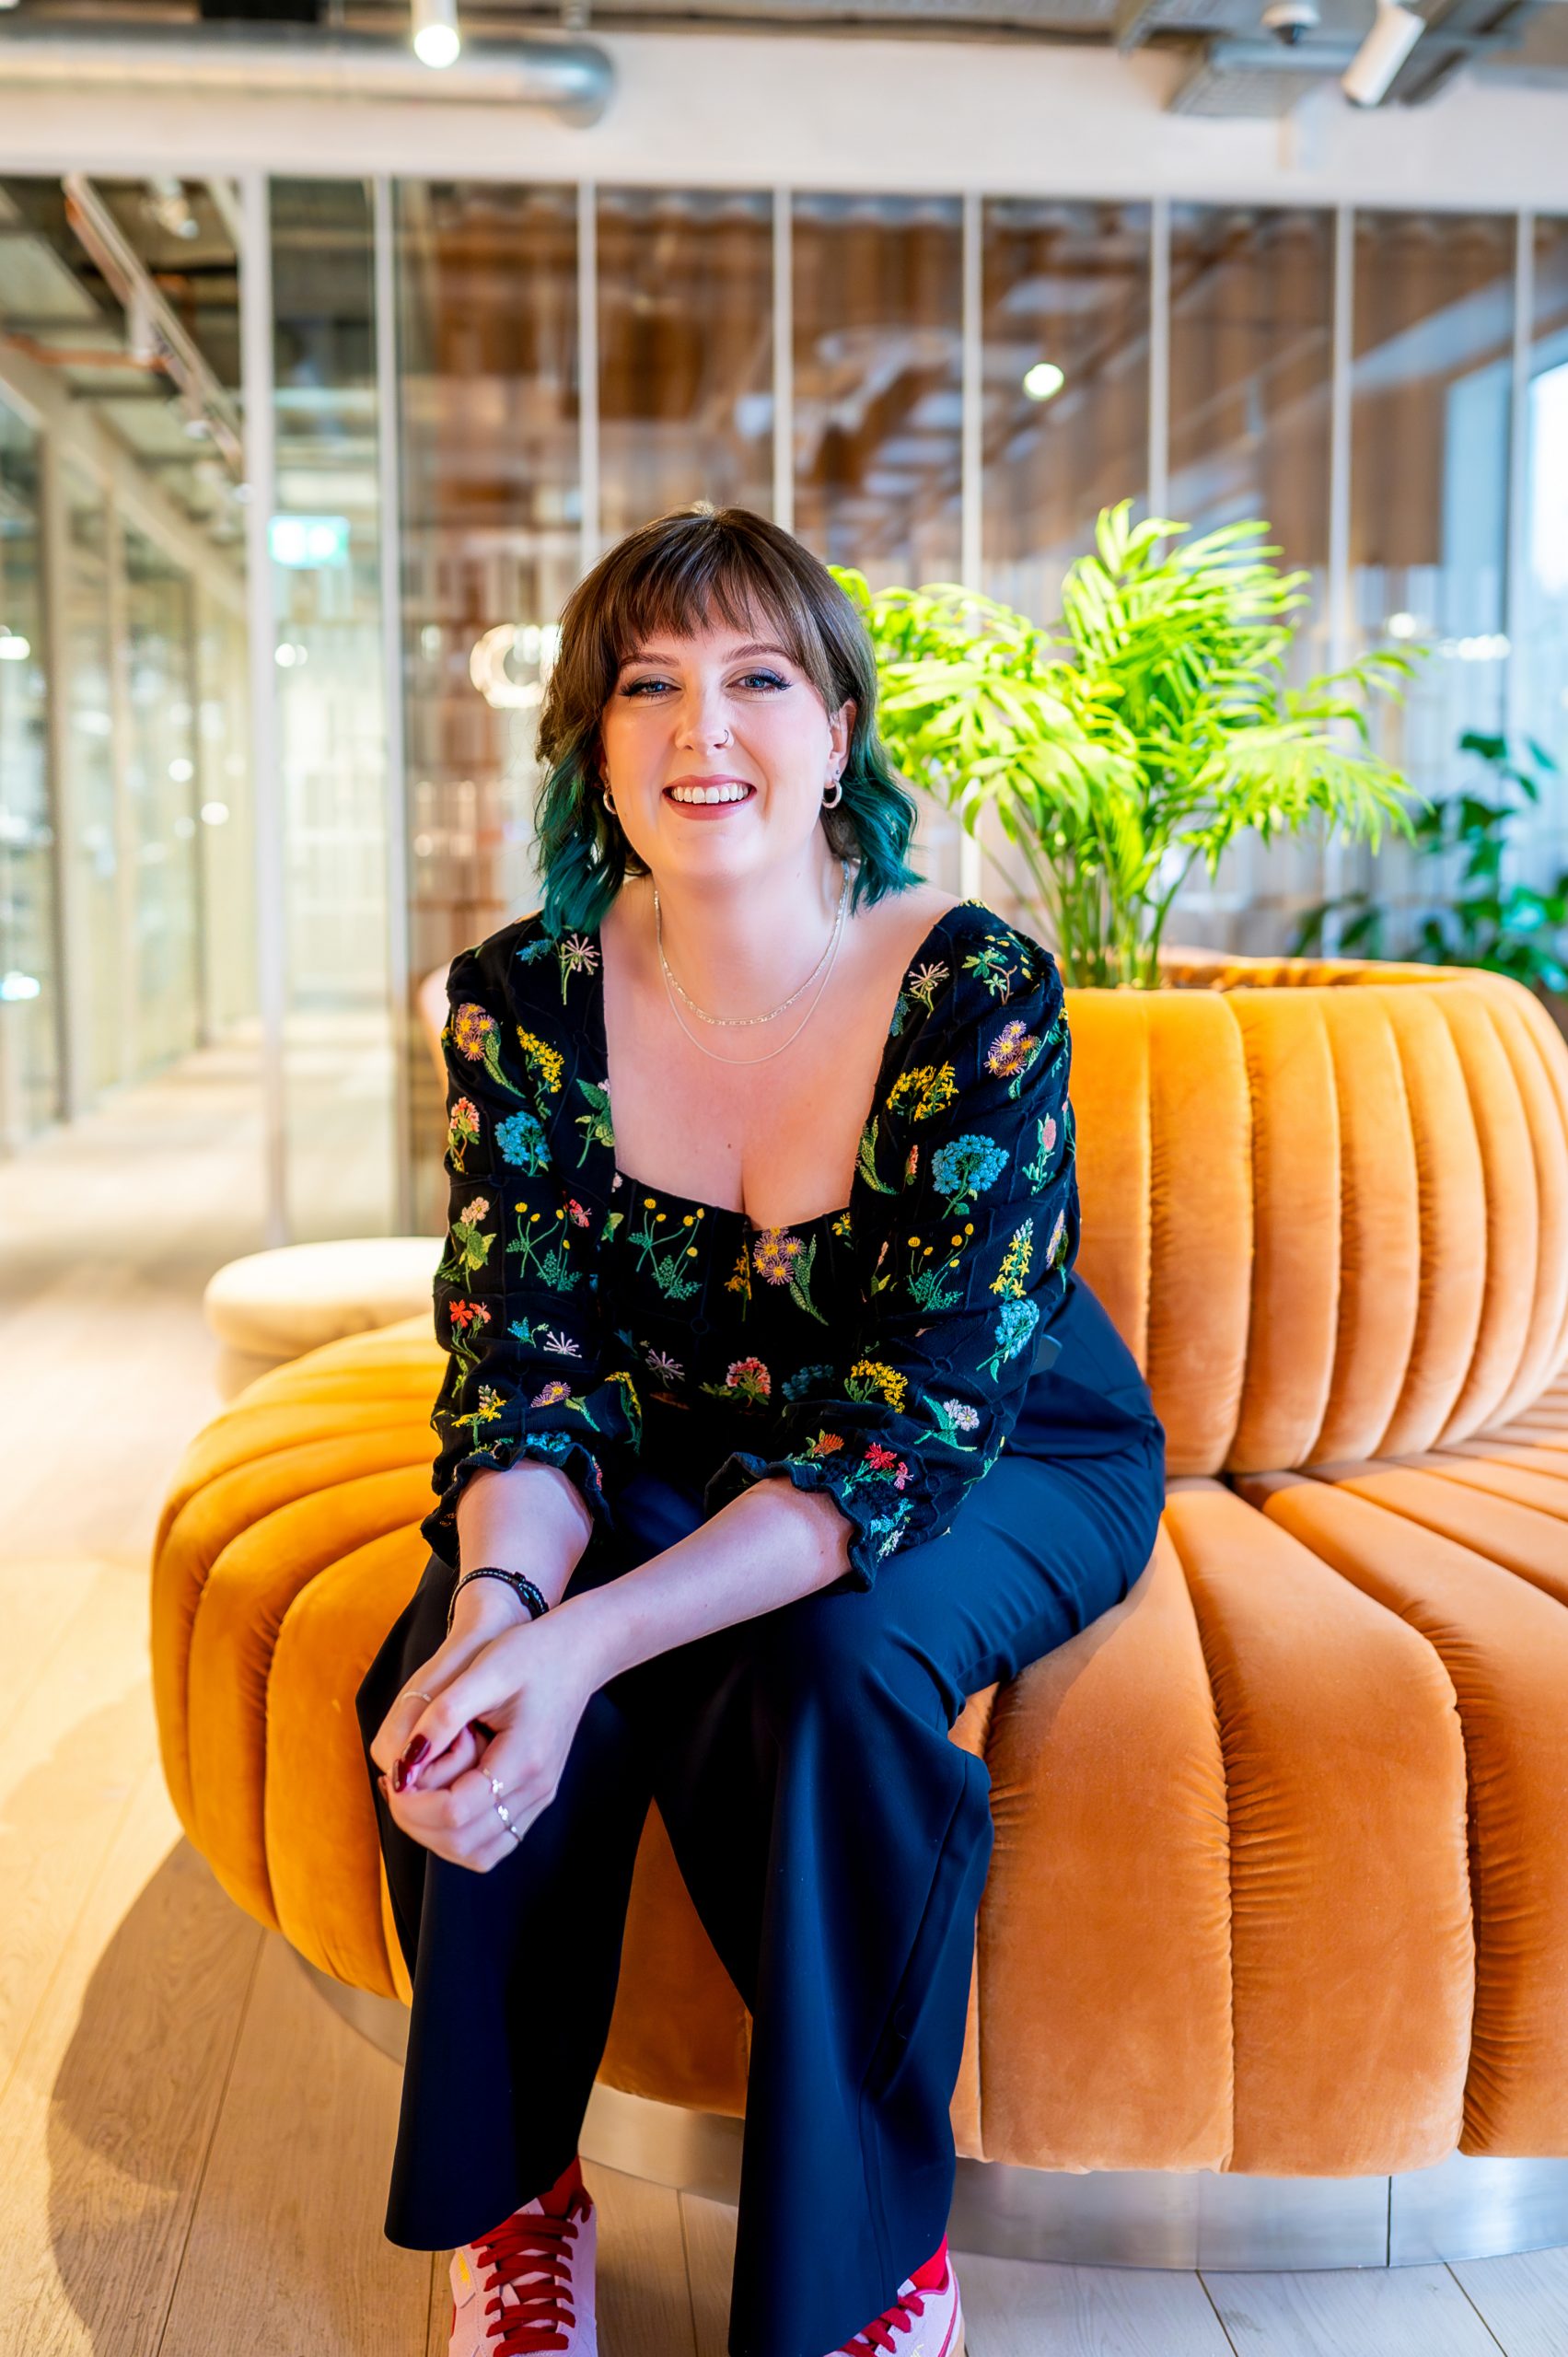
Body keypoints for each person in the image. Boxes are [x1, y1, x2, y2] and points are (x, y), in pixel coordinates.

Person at [356, 502, 1167, 2357]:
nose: (701, 728)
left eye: (757, 679)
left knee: (829, 1675)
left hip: (994, 1445)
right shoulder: (525, 1005)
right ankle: (517, 2204)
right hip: (664, 1445)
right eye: (647, 685)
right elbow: (526, 1363)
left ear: (837, 731)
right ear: (593, 743)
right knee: (455, 1672)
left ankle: (873, 2259)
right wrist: (506, 1610)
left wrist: (591, 1640)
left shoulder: (974, 990)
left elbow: (914, 1420)